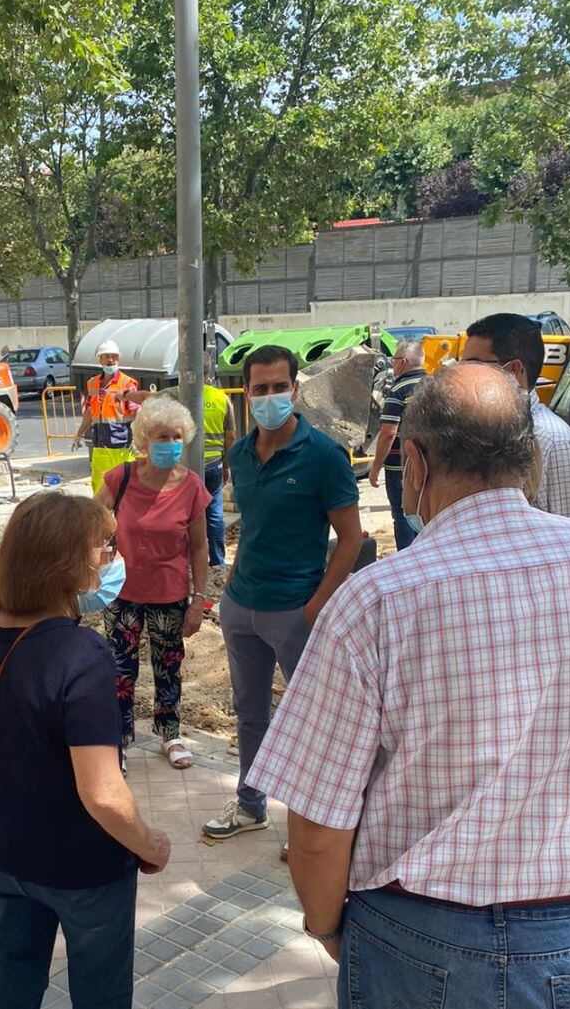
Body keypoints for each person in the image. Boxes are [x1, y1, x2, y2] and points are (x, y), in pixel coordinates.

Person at [246, 364, 570, 1008]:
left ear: (415, 464)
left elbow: (317, 823)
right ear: (530, 459)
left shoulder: (376, 601)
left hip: (416, 935)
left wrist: (326, 926)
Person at [0, 492, 171, 1009]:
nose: (111, 559)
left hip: (2, 852)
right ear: (69, 563)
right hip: (83, 866)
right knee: (101, 991)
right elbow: (102, 794)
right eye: (103, 548)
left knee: (14, 982)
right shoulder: (82, 654)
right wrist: (149, 844)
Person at [203, 344, 362, 841]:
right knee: (250, 713)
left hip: (295, 612)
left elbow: (351, 539)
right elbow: (251, 524)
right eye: (259, 388)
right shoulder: (240, 456)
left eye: (278, 387)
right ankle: (252, 804)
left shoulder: (323, 456)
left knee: (315, 720)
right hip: (241, 608)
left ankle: (320, 827)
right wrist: (231, 583)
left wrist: (313, 606)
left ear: (295, 389)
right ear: (246, 393)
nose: (269, 396)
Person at [95, 396, 209, 770]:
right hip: (122, 595)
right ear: (145, 440)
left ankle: (171, 734)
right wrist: (95, 564)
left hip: (170, 595)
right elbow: (90, 524)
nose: (171, 443)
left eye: (177, 436)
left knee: (168, 667)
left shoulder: (191, 486)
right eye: (163, 436)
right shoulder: (122, 478)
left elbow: (199, 546)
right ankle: (120, 739)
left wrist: (198, 601)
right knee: (120, 671)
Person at [461, 312, 570, 519]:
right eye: (462, 364)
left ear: (514, 370)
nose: (462, 375)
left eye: (474, 365)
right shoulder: (478, 430)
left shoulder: (555, 443)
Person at [367, 339, 427, 550]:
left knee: (402, 517)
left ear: (402, 362)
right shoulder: (436, 385)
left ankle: (408, 562)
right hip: (432, 467)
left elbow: (388, 433)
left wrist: (375, 468)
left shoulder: (399, 390)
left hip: (400, 468)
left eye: (393, 360)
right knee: (427, 516)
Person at [72, 340, 142, 494]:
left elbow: (138, 414)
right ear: (100, 359)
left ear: (118, 359)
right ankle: (101, 517)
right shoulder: (92, 384)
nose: (111, 360)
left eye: (114, 356)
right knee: (100, 487)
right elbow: (90, 413)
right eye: (107, 356)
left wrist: (138, 440)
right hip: (100, 446)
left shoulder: (126, 383)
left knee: (125, 488)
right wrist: (78, 435)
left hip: (122, 446)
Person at [203, 352, 235, 582]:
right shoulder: (221, 398)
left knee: (184, 514)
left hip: (185, 467)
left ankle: (185, 562)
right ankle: (217, 562)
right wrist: (226, 466)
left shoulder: (182, 395)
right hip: (213, 464)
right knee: (214, 513)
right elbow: (230, 436)